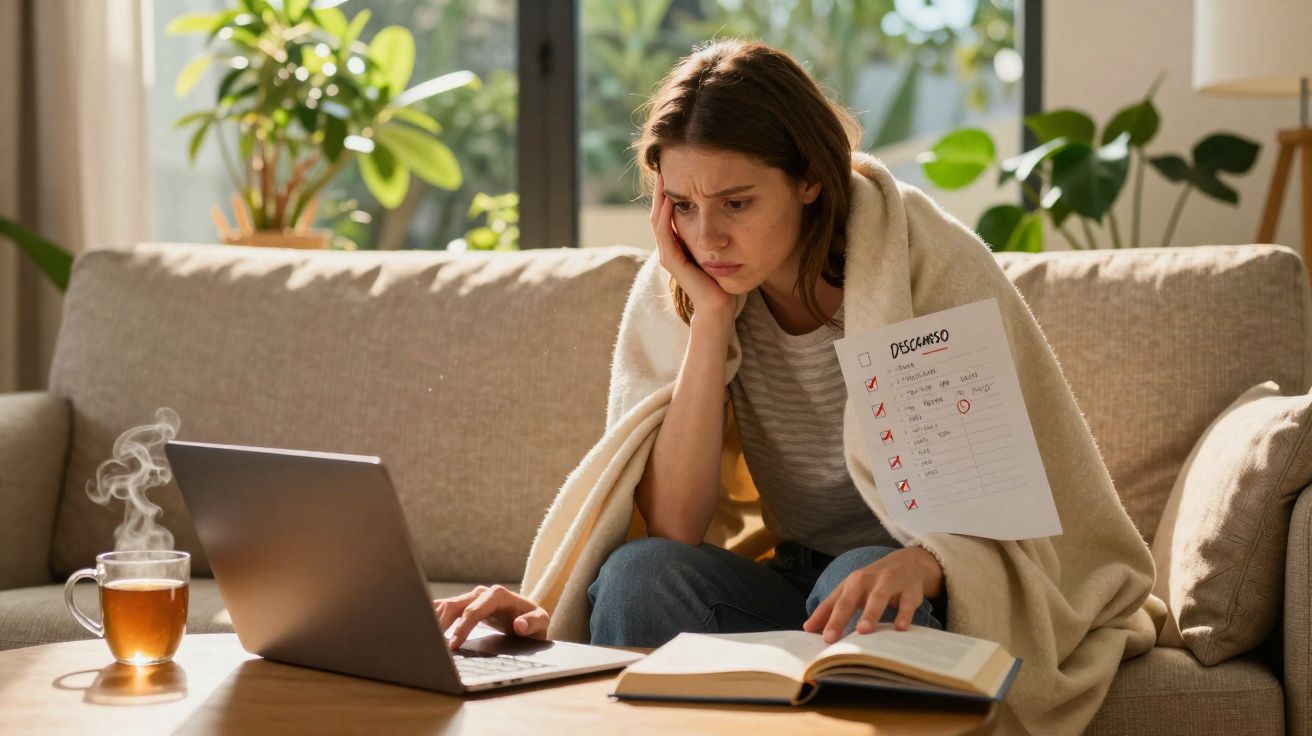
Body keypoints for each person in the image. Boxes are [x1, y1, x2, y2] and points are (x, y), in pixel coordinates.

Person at [437, 38, 949, 650]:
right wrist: (711, 317)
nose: (708, 239)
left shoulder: (917, 261)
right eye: (683, 205)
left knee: (859, 577)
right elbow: (674, 526)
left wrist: (927, 562)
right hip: (790, 573)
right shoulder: (682, 288)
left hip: (914, 577)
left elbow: (1008, 516)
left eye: (736, 203)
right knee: (638, 575)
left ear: (810, 178)